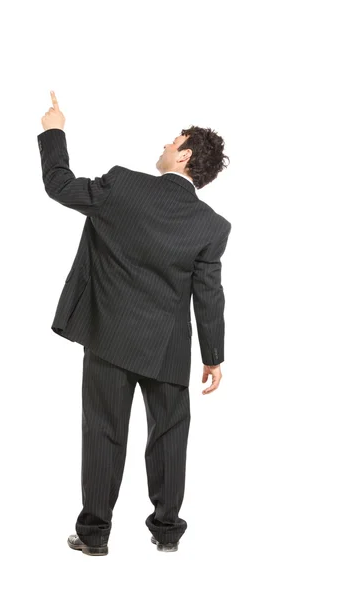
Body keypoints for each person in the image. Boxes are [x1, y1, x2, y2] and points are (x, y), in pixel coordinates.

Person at [37, 91, 232, 556]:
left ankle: (94, 536)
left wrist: (54, 131)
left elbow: (60, 186)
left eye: (174, 140)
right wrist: (213, 356)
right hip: (166, 346)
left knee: (104, 432)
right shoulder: (212, 226)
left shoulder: (123, 186)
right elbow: (208, 293)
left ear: (183, 155)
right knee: (170, 436)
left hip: (109, 337)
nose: (165, 144)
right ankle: (167, 534)